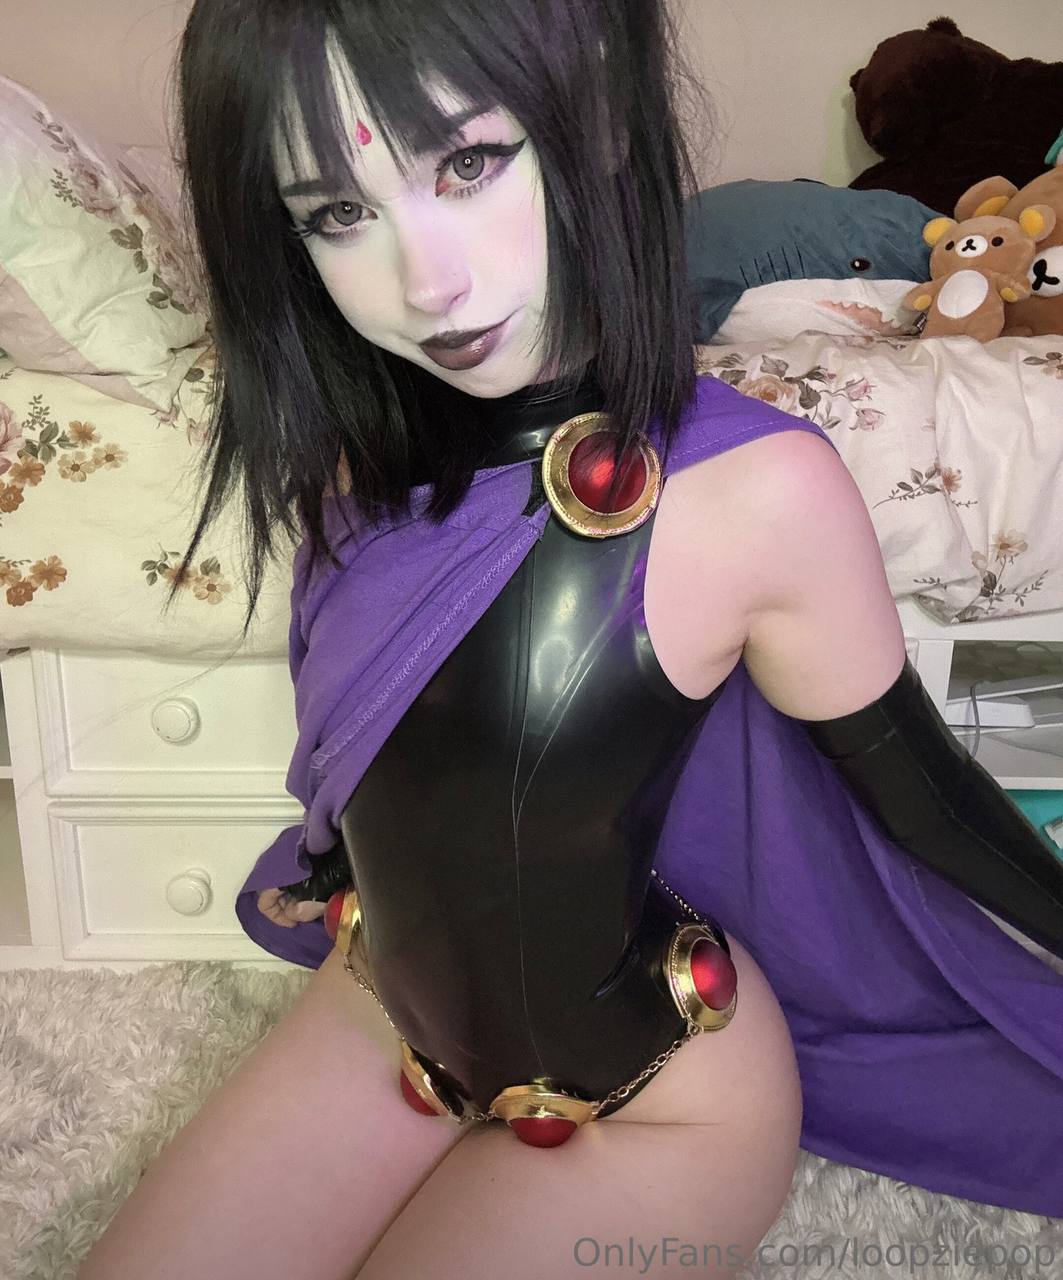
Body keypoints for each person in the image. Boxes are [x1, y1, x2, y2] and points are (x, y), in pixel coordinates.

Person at [78, 1, 1063, 1277]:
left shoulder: (761, 494)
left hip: (665, 1088)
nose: (427, 283)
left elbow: (929, 804)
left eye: (468, 163)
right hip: (387, 1003)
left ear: (593, 114)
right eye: (338, 212)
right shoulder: (352, 467)